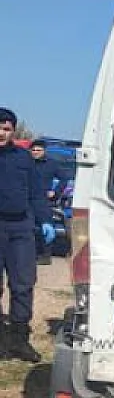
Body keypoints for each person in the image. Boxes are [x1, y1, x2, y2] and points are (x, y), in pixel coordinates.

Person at [0, 108, 55, 362]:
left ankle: (19, 340)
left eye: (7, 128)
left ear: (13, 131)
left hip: (21, 228)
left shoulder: (24, 159)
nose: (2, 132)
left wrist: (45, 220)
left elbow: (36, 193)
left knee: (23, 284)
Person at [29, 139, 62, 265]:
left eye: (38, 150)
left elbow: (64, 178)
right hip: (27, 200)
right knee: (28, 229)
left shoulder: (51, 164)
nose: (36, 152)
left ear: (44, 151)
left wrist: (56, 192)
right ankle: (31, 254)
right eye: (33, 150)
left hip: (43, 201)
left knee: (46, 229)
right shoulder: (27, 163)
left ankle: (46, 256)